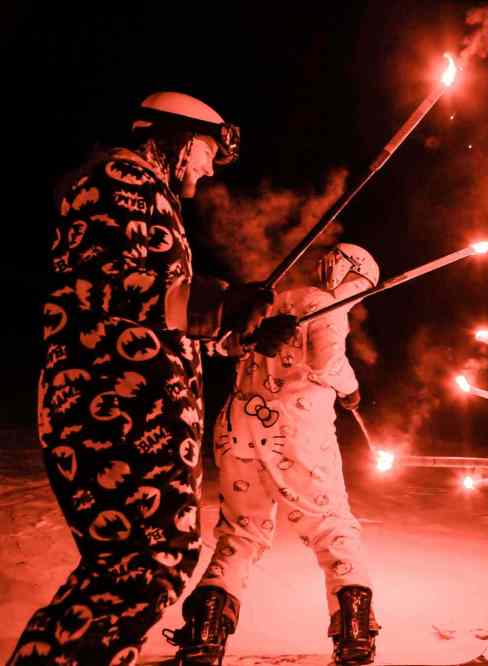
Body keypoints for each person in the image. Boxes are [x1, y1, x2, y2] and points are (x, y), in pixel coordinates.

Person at [9, 92, 291, 666]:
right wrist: (219, 301)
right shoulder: (120, 179)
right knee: (144, 563)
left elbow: (155, 315)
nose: (210, 167)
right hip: (112, 405)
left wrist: (238, 331)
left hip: (136, 406)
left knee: (141, 562)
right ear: (177, 137)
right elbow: (101, 286)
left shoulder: (143, 192)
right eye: (208, 150)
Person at [166, 244, 382, 665]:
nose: (358, 298)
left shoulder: (271, 298)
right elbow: (327, 361)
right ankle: (353, 632)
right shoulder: (327, 304)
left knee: (241, 529)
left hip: (237, 427)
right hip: (298, 435)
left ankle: (207, 630)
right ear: (349, 275)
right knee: (331, 525)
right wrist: (351, 390)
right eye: (361, 288)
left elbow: (226, 345)